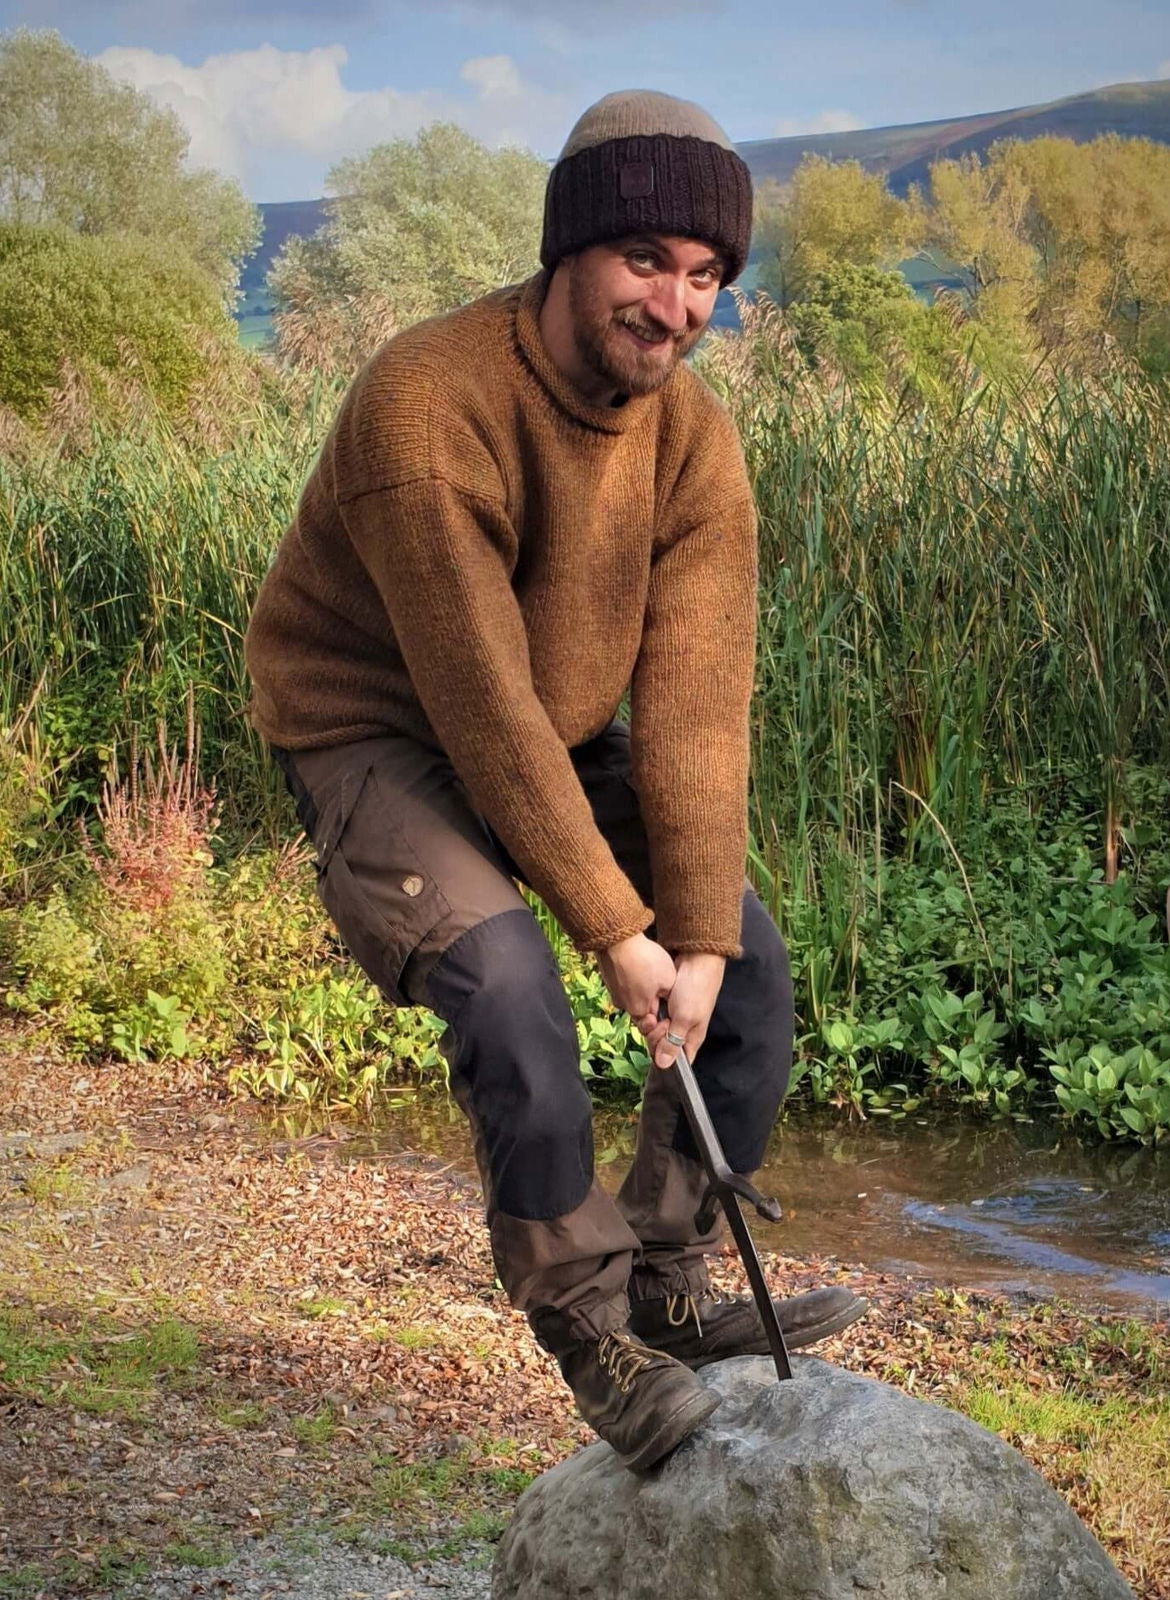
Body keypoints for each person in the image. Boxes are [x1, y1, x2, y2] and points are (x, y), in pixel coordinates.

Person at [244, 89, 865, 1475]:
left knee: (748, 969)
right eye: (647, 259)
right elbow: (483, 714)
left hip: (553, 721)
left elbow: (698, 710)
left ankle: (666, 1279)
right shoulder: (428, 407)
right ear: (569, 249)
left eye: (708, 276)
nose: (677, 305)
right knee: (514, 995)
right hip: (378, 727)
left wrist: (690, 935)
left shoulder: (692, 440)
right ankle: (590, 1330)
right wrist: (614, 930)